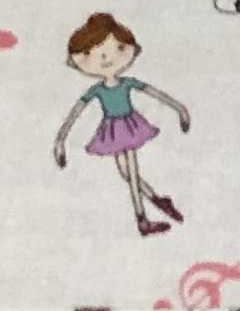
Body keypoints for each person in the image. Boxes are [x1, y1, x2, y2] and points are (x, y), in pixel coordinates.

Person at [51, 12, 189, 236]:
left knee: (132, 173)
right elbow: (75, 114)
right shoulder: (96, 90)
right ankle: (157, 199)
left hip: (129, 126)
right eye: (90, 53)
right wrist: (60, 140)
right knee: (126, 173)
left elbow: (156, 94)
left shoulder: (128, 83)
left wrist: (180, 109)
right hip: (112, 130)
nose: (106, 58)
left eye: (118, 48)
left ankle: (142, 219)